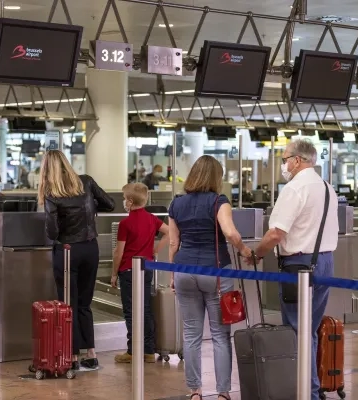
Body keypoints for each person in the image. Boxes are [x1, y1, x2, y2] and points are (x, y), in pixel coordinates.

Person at [250, 139, 338, 400]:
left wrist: (257, 254)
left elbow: (276, 233)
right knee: (308, 329)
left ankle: (306, 392)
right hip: (324, 262)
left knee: (298, 330)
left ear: (298, 160)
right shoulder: (326, 187)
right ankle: (310, 388)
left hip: (298, 266)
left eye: (285, 159)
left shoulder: (294, 188)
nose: (284, 164)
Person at [168, 155, 252, 400]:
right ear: (218, 177)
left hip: (184, 270)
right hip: (215, 273)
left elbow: (174, 242)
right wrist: (246, 252)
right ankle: (223, 392)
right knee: (219, 335)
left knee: (191, 334)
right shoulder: (219, 201)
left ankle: (194, 391)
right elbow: (230, 233)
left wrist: (173, 273)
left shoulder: (176, 204)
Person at [38, 150, 115, 370]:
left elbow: (52, 232)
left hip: (68, 251)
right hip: (91, 248)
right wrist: (88, 211)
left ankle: (71, 356)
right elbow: (109, 204)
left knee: (68, 304)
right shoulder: (86, 182)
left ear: (46, 170)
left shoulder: (52, 192)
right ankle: (91, 353)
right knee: (85, 303)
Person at [110, 183, 169, 364]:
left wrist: (113, 274)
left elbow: (118, 252)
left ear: (129, 201)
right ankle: (149, 351)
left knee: (130, 311)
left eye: (123, 198)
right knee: (145, 308)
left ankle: (133, 351)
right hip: (147, 268)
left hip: (128, 270)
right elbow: (170, 233)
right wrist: (155, 249)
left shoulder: (125, 223)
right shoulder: (152, 219)